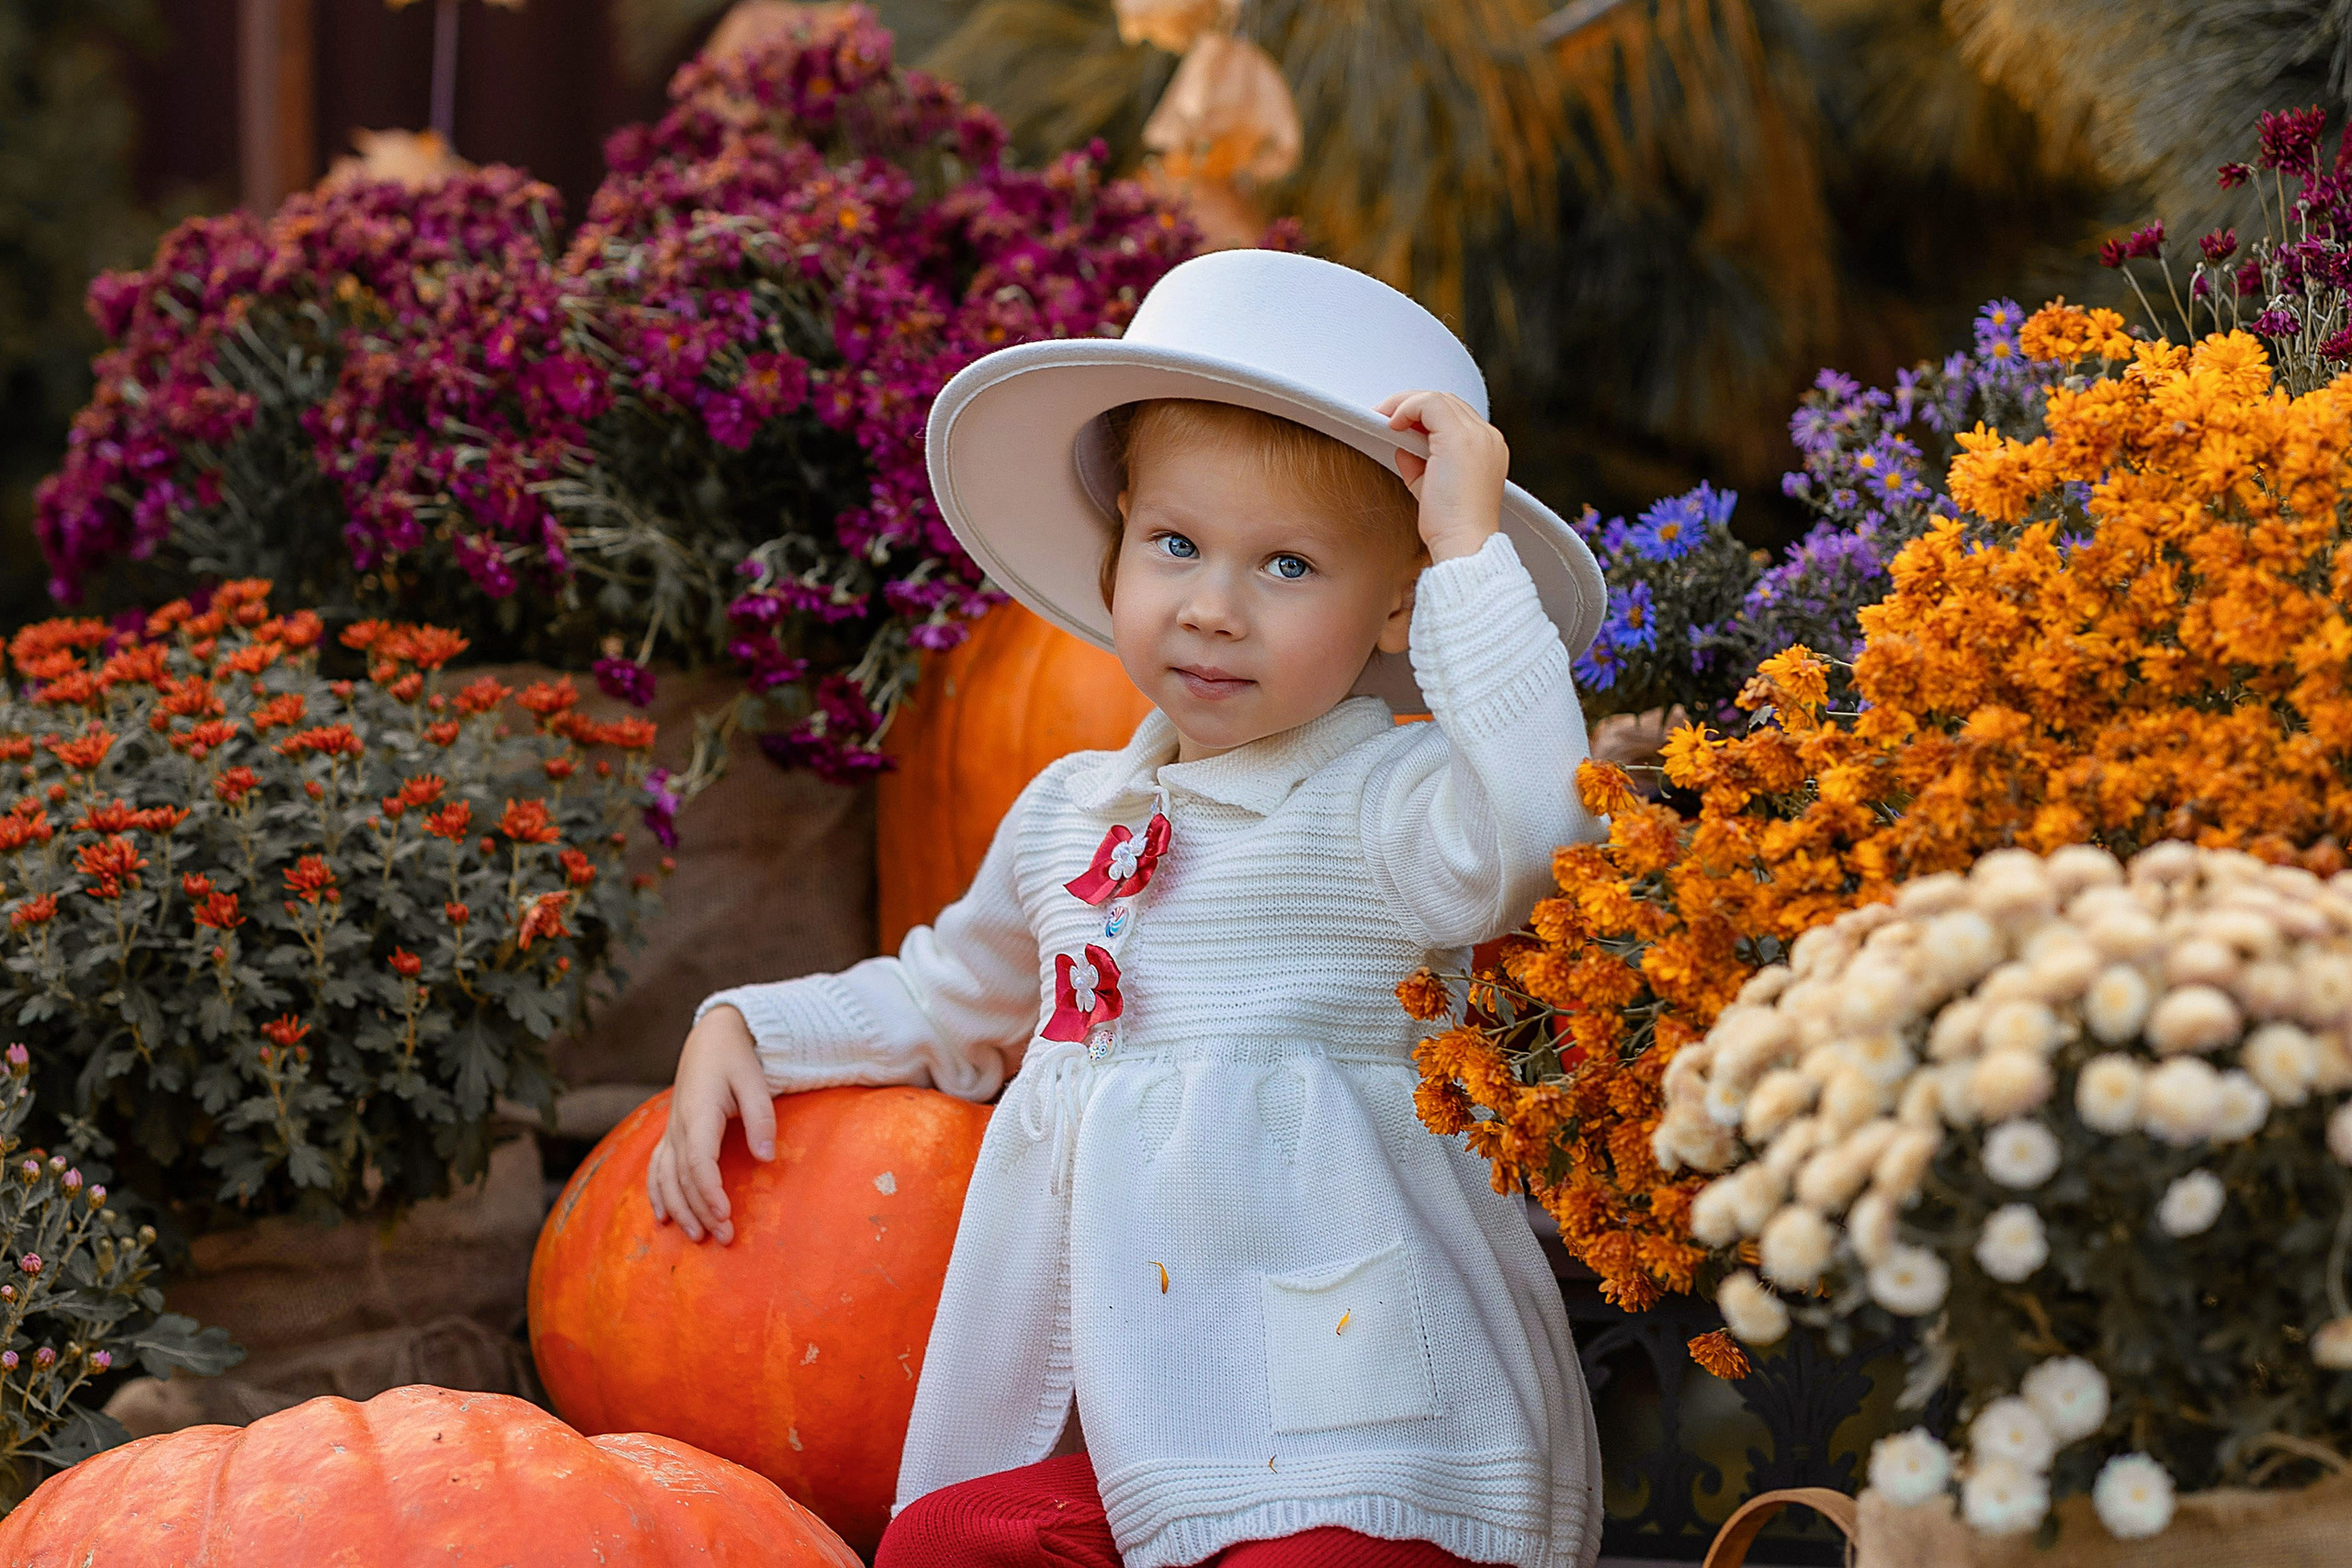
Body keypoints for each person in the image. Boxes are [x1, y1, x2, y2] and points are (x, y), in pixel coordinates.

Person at [645, 249, 1611, 1568]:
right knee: (943, 1547)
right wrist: (750, 1029)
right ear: (1113, 562)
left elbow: (1544, 834)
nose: (1213, 608)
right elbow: (949, 995)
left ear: (1399, 607)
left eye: (1287, 566)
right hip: (1159, 1423)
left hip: (1363, 1421)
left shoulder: (1388, 807)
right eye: (1175, 545)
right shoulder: (1069, 814)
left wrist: (1466, 553)